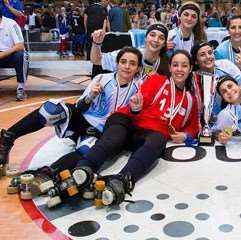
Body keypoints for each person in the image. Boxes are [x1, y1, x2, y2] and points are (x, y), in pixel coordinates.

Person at [70, 50, 199, 207]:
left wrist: (186, 136)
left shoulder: (190, 100)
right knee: (115, 137)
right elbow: (136, 106)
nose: (179, 69)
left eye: (184, 66)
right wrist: (136, 108)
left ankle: (122, 180)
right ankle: (84, 169)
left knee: (159, 139)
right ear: (170, 68)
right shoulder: (156, 81)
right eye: (175, 65)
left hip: (146, 136)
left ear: (190, 68)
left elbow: (194, 127)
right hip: (128, 121)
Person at [0, 47, 143, 178]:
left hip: (100, 133)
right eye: (123, 62)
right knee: (51, 110)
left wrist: (136, 108)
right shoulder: (102, 79)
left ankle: (47, 173)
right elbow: (79, 107)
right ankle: (7, 138)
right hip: (81, 120)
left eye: (132, 63)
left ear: (138, 68)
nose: (127, 66)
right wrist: (90, 97)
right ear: (117, 64)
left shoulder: (139, 87)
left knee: (89, 150)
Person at [91, 23, 170, 78]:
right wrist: (96, 44)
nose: (156, 40)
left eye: (161, 38)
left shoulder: (167, 64)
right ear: (145, 39)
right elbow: (97, 60)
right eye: (152, 35)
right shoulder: (130, 54)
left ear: (164, 44)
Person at [190, 41, 241, 123]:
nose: (208, 57)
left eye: (210, 53)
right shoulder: (193, 79)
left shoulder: (226, 66)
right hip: (206, 122)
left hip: (232, 116)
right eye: (202, 55)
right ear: (196, 61)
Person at [0, 11, 28, 101]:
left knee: (21, 55)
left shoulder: (11, 24)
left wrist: (3, 54)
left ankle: (21, 88)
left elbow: (20, 45)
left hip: (12, 54)